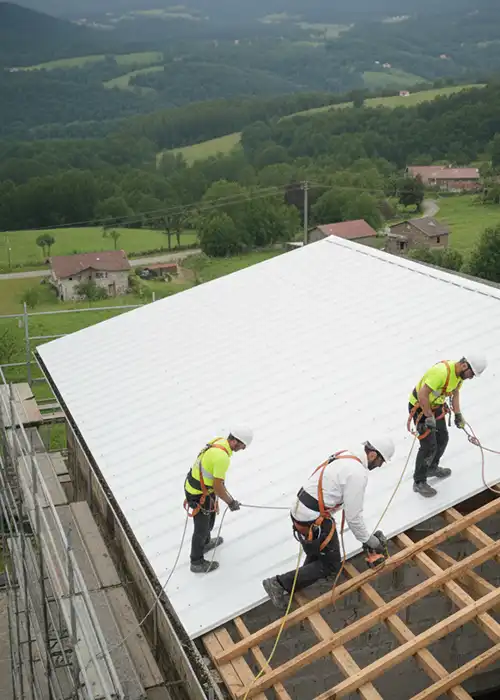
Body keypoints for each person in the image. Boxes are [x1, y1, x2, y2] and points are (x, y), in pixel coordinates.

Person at [262, 435, 395, 610]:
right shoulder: (357, 473)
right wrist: (369, 541)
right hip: (313, 518)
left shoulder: (346, 455)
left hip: (301, 511)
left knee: (319, 554)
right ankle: (278, 583)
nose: (379, 466)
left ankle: (298, 582)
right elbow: (354, 517)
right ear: (372, 455)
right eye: (380, 462)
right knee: (331, 565)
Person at [409, 355, 487, 498]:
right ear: (465, 366)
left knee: (442, 438)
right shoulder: (441, 372)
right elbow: (422, 394)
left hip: (435, 406)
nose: (470, 378)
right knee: (428, 445)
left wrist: (458, 414)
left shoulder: (458, 377)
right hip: (420, 407)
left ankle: (431, 467)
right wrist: (428, 416)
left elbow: (455, 393)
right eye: (471, 374)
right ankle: (419, 481)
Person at [184, 426, 253, 573]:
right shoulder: (222, 458)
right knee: (201, 529)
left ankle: (206, 543)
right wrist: (231, 502)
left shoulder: (219, 441)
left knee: (210, 520)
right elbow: (217, 487)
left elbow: (216, 481)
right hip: (198, 494)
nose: (243, 449)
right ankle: (196, 561)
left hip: (201, 489)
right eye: (243, 446)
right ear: (235, 441)